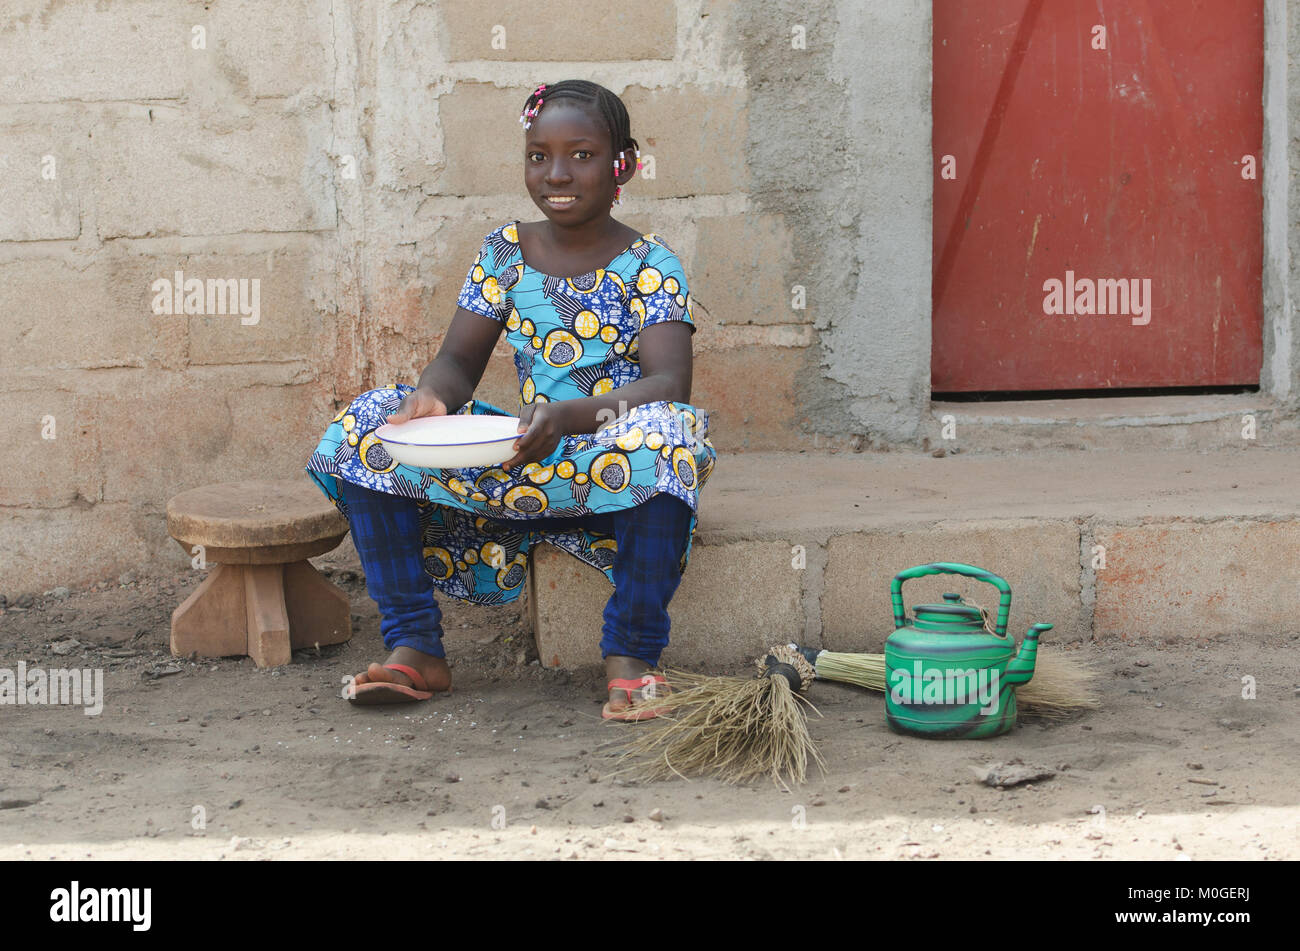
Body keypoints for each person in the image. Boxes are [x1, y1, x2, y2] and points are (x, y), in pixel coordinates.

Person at [305, 79, 717, 720]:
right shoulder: (505, 253)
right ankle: (414, 644)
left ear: (623, 165)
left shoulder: (652, 264)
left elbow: (668, 385)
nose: (557, 173)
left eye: (581, 155)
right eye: (538, 155)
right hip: (523, 454)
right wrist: (431, 399)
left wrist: (571, 416)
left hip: (612, 460)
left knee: (667, 432)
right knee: (365, 425)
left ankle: (633, 657)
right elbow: (457, 363)